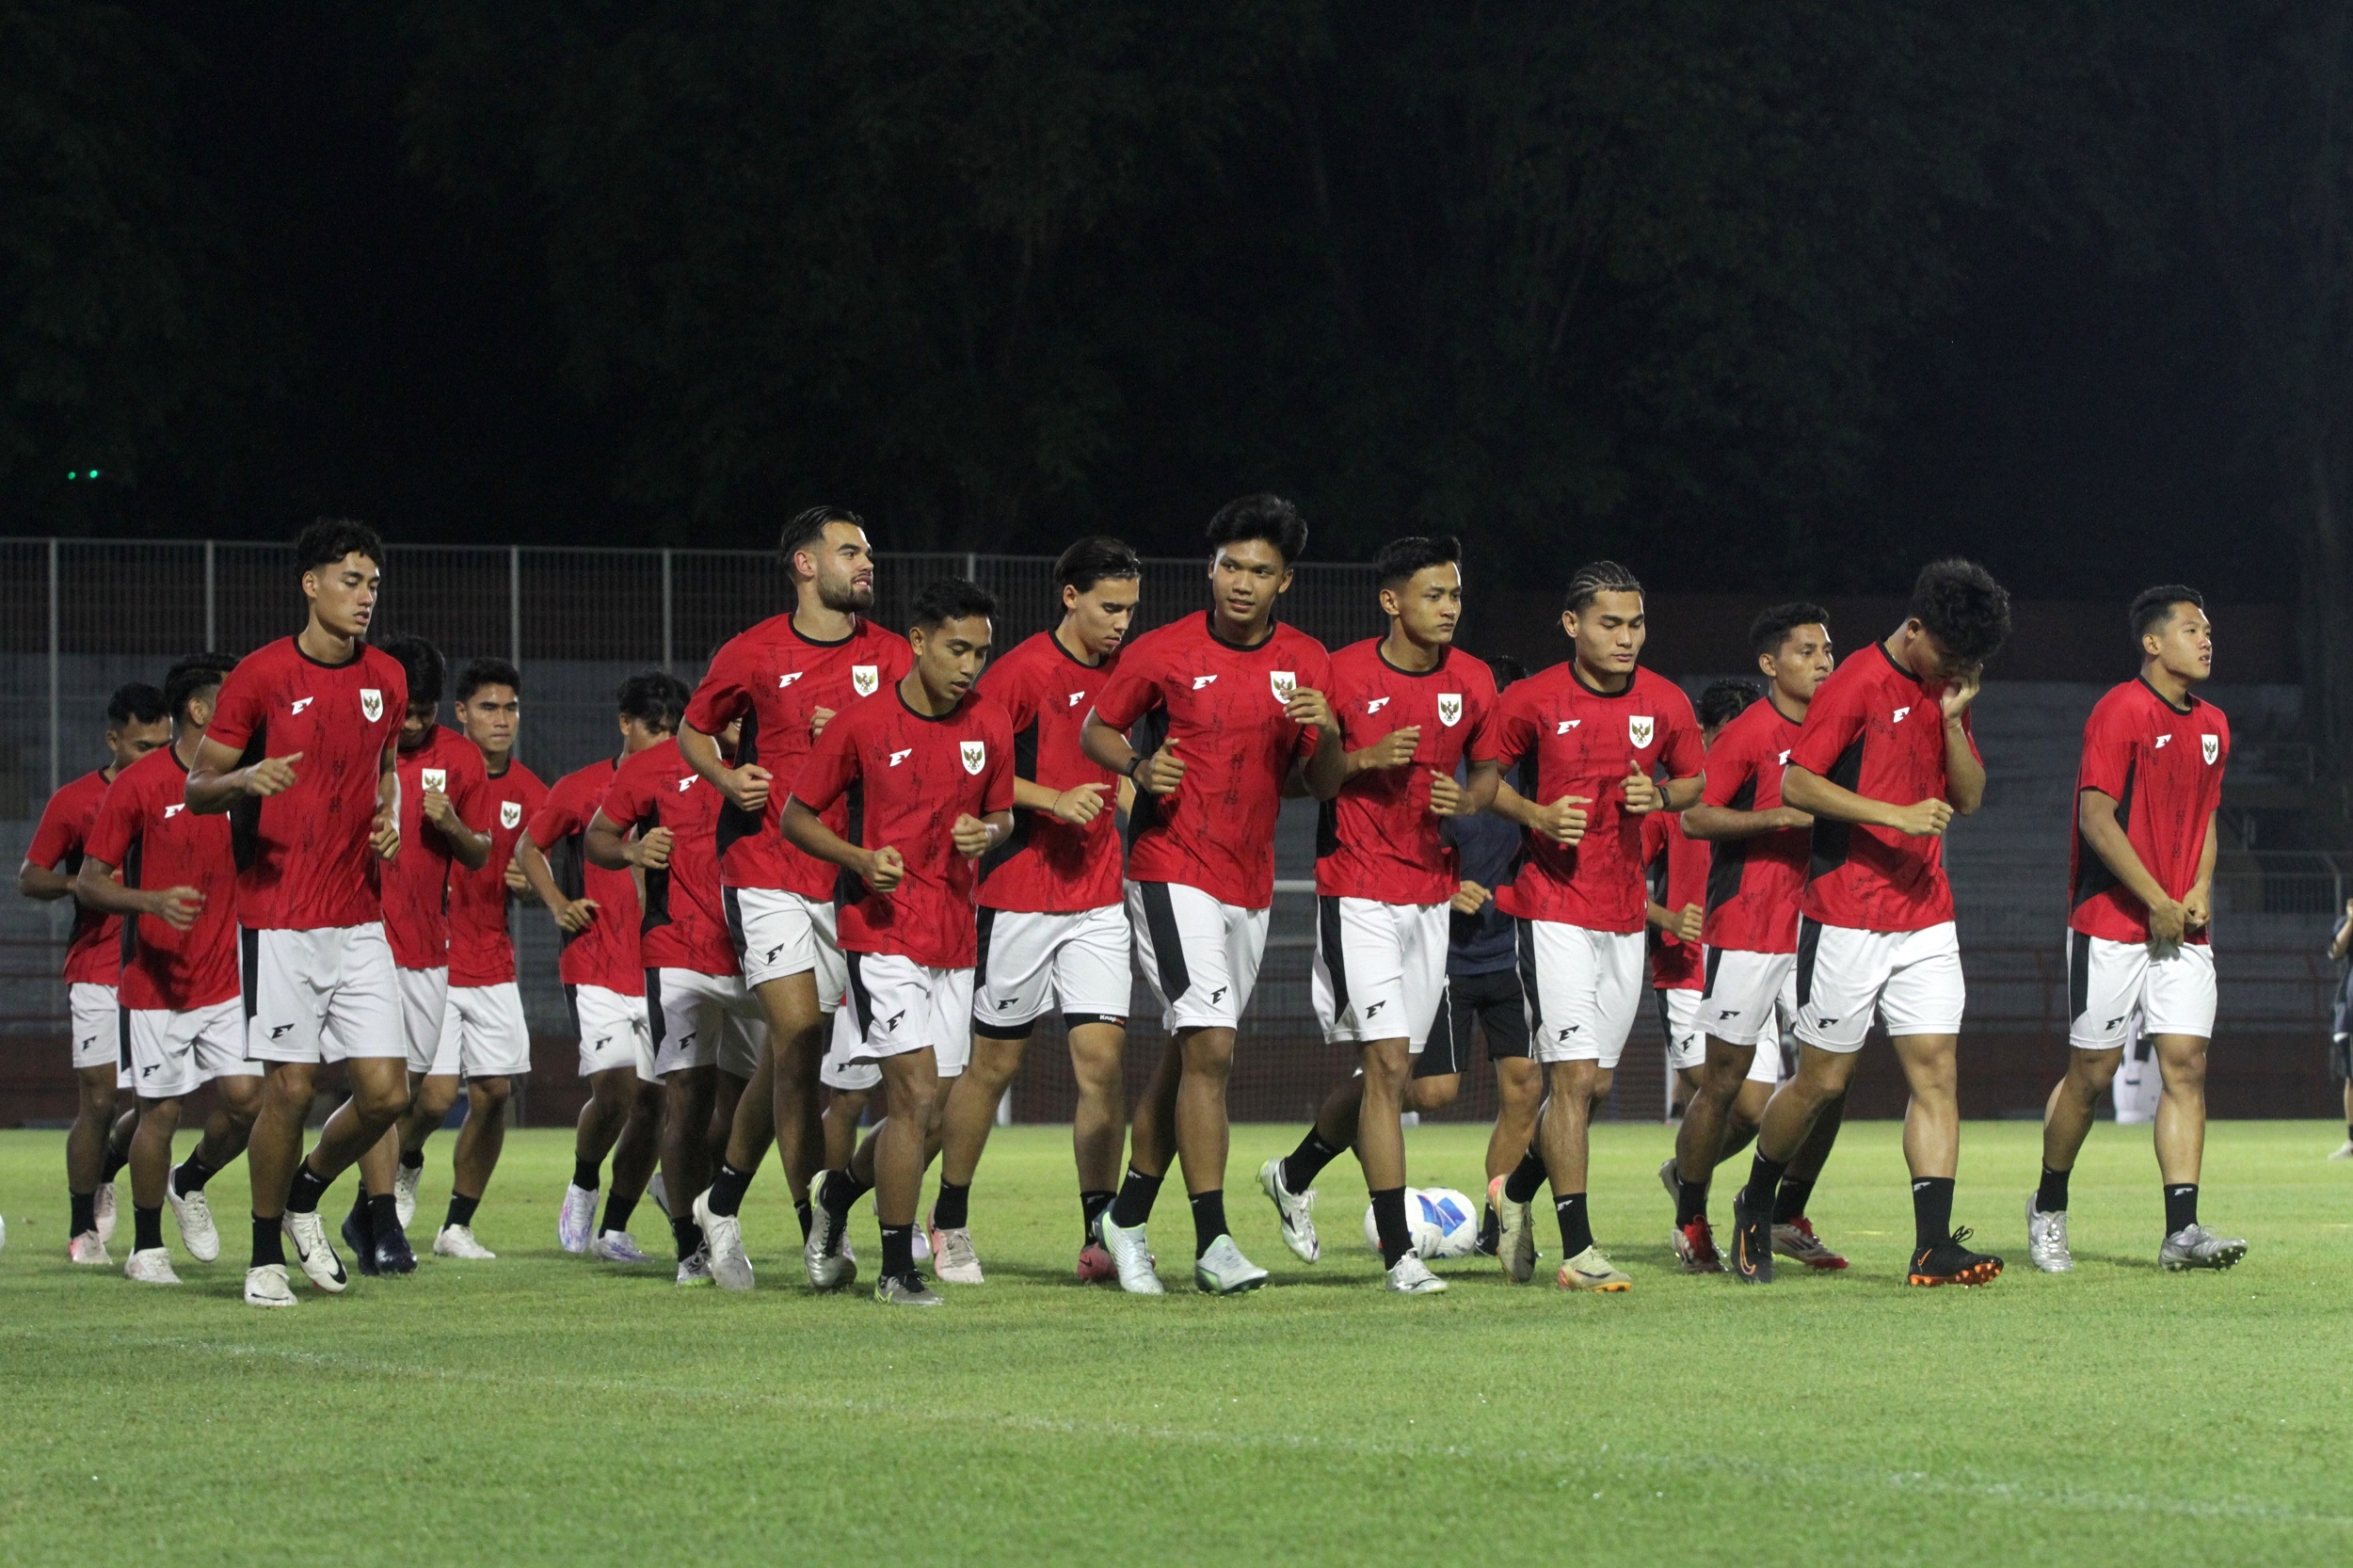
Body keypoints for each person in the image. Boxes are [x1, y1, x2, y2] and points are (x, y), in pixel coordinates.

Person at [1081, 494, 1346, 1295]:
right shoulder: (1162, 651)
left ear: (1285, 582)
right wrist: (1136, 767)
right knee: (1215, 1047)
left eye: (1259, 571)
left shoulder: (1307, 662)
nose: (1241, 582)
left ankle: (1127, 1213)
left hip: (1249, 883)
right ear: (1211, 567)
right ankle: (1213, 1241)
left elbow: (1320, 783)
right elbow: (1096, 728)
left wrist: (1329, 730)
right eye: (1230, 566)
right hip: (1169, 868)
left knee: (1191, 1051)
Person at [1728, 558, 2010, 1288]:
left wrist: (1951, 722)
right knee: (1821, 1082)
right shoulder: (1855, 680)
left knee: (1937, 1076)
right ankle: (1755, 1205)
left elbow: (1971, 797)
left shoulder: (1945, 688)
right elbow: (1796, 782)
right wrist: (1895, 814)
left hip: (1925, 915)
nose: (1957, 670)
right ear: (1915, 628)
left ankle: (1932, 1245)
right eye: (1949, 656)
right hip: (1846, 912)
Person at [1257, 534, 1500, 1294]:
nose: (1450, 608)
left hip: (1429, 895)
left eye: (1456, 595)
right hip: (1355, 888)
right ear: (1392, 602)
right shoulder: (1342, 672)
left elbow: (1488, 778)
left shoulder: (1475, 679)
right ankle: (1401, 1256)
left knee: (1393, 1080)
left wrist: (1465, 800)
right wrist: (1356, 753)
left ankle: (1292, 1173)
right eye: (1435, 594)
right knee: (1390, 1066)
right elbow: (1310, 782)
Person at [680, 506, 911, 1288]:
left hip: (846, 871)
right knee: (800, 1034)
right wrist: (723, 775)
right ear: (806, 566)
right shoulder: (753, 652)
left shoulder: (890, 656)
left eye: (868, 550)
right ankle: (818, 1228)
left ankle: (722, 1200)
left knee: (808, 1053)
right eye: (851, 550)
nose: (867, 563)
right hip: (766, 865)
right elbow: (693, 730)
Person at [185, 519, 409, 1308]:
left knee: (387, 1094)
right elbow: (195, 787)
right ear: (310, 584)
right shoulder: (259, 676)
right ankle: (262, 1256)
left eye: (373, 584)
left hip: (358, 917)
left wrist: (389, 818)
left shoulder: (388, 675)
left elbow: (386, 773)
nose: (365, 597)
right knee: (290, 1089)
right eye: (351, 580)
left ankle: (308, 1196)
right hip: (279, 918)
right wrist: (245, 781)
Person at [788, 579, 1015, 1306]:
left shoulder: (993, 725)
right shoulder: (862, 724)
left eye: (980, 652)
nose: (970, 666)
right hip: (879, 934)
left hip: (954, 934)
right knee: (913, 1094)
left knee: (935, 1112)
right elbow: (797, 816)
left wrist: (991, 832)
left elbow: (1004, 816)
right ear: (917, 643)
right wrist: (857, 860)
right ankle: (895, 1270)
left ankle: (837, 1195)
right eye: (957, 649)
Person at [1484, 562, 1705, 1293]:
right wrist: (1538, 815)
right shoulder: (1532, 699)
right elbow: (1483, 783)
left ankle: (1513, 1196)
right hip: (1552, 910)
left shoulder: (1666, 701)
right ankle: (1578, 1250)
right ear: (1572, 624)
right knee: (1572, 1077)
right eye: (1610, 623)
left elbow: (1695, 782)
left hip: (1622, 917)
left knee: (1596, 1085)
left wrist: (1663, 793)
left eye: (1636, 623)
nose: (1626, 637)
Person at [929, 537, 1142, 1285]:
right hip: (1019, 897)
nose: (1120, 623)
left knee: (1103, 1068)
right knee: (994, 1065)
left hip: (1097, 900)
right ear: (1070, 597)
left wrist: (1134, 786)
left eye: (1130, 610)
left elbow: (1119, 760)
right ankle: (948, 1219)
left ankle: (1098, 1232)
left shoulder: (1129, 674)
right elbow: (972, 770)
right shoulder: (1019, 673)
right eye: (1109, 607)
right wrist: (1053, 797)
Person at [2030, 586, 2245, 1272]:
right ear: (2153, 643)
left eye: (2207, 629)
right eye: (2191, 629)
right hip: (2111, 921)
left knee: (2186, 1067)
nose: (2206, 640)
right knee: (2091, 1074)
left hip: (2181, 926)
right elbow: (2097, 819)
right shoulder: (2119, 710)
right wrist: (2154, 897)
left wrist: (2199, 888)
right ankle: (2048, 1207)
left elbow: (2208, 818)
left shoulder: (2214, 723)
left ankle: (2181, 1230)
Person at [1671, 607, 1849, 1273]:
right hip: (1750, 927)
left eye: (1828, 650)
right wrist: (1774, 813)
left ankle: (1786, 1211)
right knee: (1724, 1084)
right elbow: (1694, 816)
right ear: (1772, 665)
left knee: (1834, 1080)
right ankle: (1691, 1218)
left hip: (1828, 925)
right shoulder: (1749, 733)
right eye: (1807, 651)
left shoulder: (1842, 729)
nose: (1824, 661)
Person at [73, 654, 258, 1283]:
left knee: (247, 1103)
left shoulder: (241, 782)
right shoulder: (140, 784)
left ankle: (192, 1181)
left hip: (227, 979)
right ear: (202, 710)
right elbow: (90, 884)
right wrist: (149, 900)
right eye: (232, 698)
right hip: (153, 985)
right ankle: (146, 1248)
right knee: (162, 1111)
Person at [587, 711, 765, 1286]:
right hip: (679, 949)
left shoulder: (783, 759)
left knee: (756, 1108)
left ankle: (703, 1199)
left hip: (760, 954)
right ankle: (691, 1244)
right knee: (687, 1097)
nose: (741, 719)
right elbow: (598, 838)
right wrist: (633, 854)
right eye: (731, 708)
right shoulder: (655, 768)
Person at [522, 670, 689, 1264]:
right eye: (654, 729)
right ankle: (584, 1181)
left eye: (673, 731)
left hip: (659, 967)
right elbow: (528, 847)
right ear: (625, 724)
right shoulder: (582, 788)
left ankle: (616, 1228)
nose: (664, 741)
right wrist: (559, 905)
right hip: (594, 962)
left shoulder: (684, 791)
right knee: (616, 1089)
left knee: (655, 1102)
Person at [19, 681, 171, 1264]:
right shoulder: (76, 800)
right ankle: (83, 1226)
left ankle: (109, 1164)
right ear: (112, 740)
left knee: (162, 1100)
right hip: (99, 967)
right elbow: (31, 877)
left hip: (163, 970)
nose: (152, 759)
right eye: (139, 746)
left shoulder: (184, 794)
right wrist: (87, 887)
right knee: (101, 1099)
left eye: (162, 746)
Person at [354, 633, 490, 1275]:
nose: (412, 724)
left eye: (424, 713)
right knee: (380, 1090)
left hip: (427, 945)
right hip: (360, 936)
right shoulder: (357, 744)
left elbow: (480, 850)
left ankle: (364, 1204)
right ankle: (382, 1219)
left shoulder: (461, 760)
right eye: (404, 711)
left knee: (425, 1097)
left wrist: (453, 826)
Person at [408, 658, 547, 1260]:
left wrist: (531, 884)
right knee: (435, 1097)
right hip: (430, 955)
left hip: (491, 957)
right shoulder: (425, 771)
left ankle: (456, 1226)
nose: (502, 719)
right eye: (488, 707)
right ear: (460, 712)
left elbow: (545, 870)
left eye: (510, 707)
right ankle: (407, 1156)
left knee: (495, 1090)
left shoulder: (531, 792)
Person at [1434, 656, 1538, 1258]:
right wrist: (1444, 891)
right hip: (1444, 957)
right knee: (1436, 1094)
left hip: (1510, 953)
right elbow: (1407, 849)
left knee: (1525, 1088)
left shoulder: (1530, 778)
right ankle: (1364, 1100)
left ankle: (1499, 1226)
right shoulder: (1451, 775)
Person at [2330, 900, 2353, 1160]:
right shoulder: (2346, 923)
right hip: (2351, 1010)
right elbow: (2335, 951)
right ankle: (2352, 1140)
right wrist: (2351, 921)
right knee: (2352, 1075)